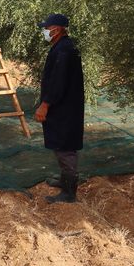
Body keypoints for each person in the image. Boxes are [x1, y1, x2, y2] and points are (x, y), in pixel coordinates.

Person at [35, 13, 85, 203]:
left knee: (65, 146)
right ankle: (65, 180)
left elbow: (58, 82)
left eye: (46, 29)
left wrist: (45, 105)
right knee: (61, 143)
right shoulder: (62, 46)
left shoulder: (64, 50)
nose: (45, 32)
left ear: (56, 30)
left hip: (63, 108)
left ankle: (69, 193)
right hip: (64, 106)